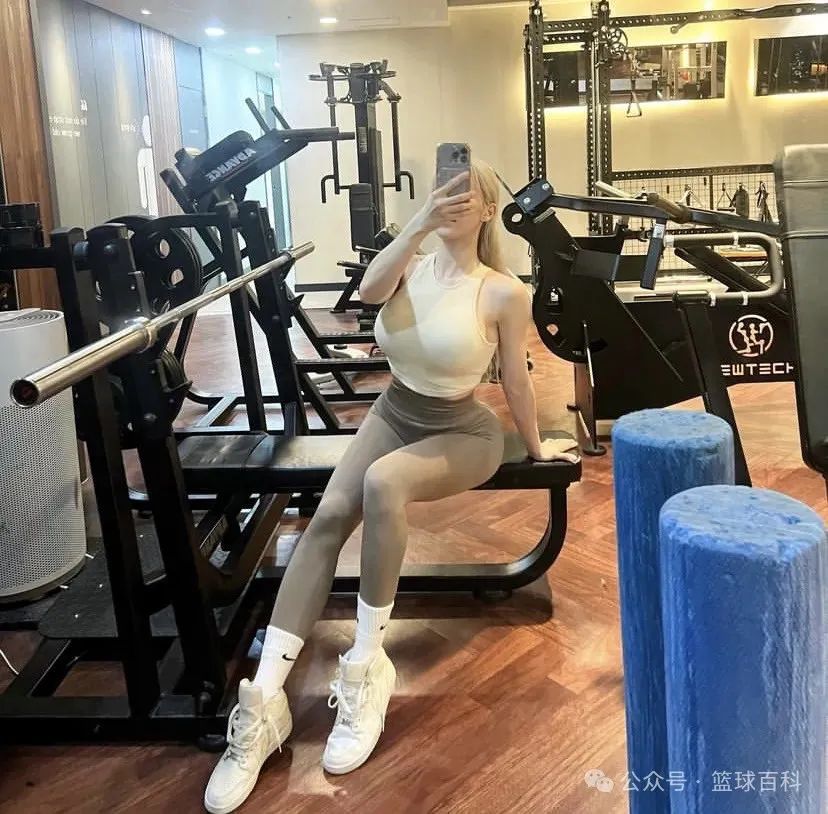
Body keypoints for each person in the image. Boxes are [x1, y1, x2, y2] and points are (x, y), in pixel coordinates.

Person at [204, 160, 578, 814]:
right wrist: (418, 225)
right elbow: (369, 293)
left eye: (466, 194)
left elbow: (517, 379)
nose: (452, 200)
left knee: (383, 482)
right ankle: (264, 702)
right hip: (393, 412)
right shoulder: (410, 262)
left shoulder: (501, 291)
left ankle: (367, 665)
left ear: (488, 209)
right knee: (326, 520)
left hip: (463, 431)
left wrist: (539, 445)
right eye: (443, 190)